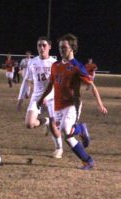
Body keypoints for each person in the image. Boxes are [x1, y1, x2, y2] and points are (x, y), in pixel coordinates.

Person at [37, 33, 108, 170]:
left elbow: (91, 86)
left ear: (72, 49)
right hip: (58, 105)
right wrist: (41, 99)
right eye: (60, 47)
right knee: (68, 137)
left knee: (65, 128)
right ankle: (88, 161)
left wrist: (100, 104)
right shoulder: (55, 65)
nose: (61, 50)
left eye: (64, 47)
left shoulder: (77, 66)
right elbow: (50, 85)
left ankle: (81, 128)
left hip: (72, 104)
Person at [17, 36, 63, 158]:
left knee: (54, 125)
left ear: (49, 47)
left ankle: (59, 148)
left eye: (44, 45)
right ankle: (46, 121)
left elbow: (59, 84)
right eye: (39, 45)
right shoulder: (32, 62)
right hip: (36, 98)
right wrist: (20, 99)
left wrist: (49, 97)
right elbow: (26, 81)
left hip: (51, 98)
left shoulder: (55, 63)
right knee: (29, 124)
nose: (41, 47)